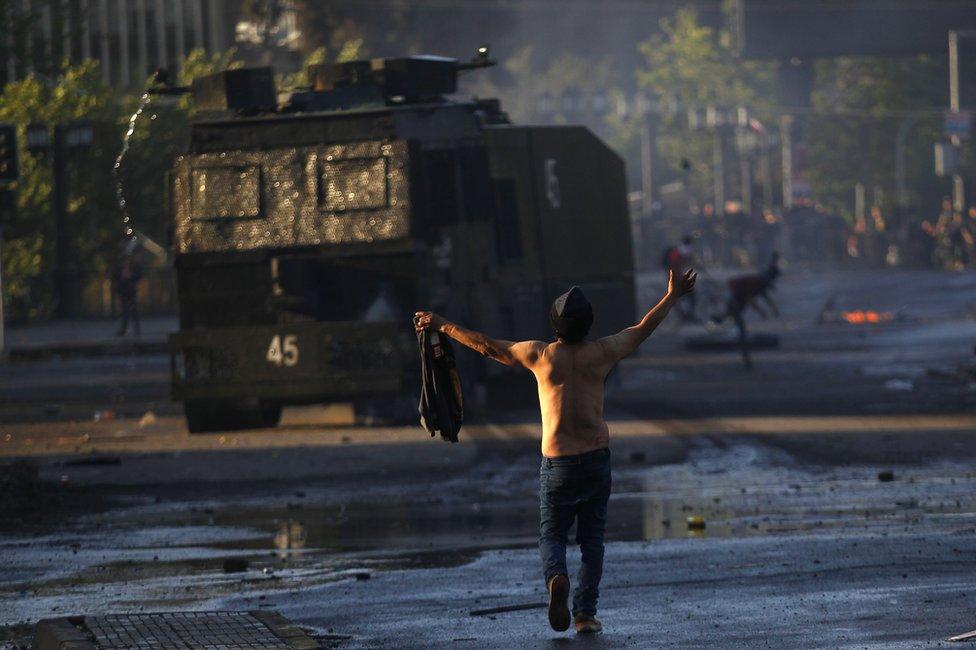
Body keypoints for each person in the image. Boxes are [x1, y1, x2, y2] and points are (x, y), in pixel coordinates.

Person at [414, 268, 697, 635]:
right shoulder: (604, 352)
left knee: (552, 535)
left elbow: (485, 344)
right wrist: (672, 295)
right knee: (593, 542)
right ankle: (584, 615)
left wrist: (442, 324)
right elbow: (643, 328)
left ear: (555, 324)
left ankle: (556, 577)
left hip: (558, 462)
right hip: (596, 459)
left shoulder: (540, 356)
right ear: (588, 323)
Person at [710, 253, 780, 369]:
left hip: (738, 297)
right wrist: (761, 311)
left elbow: (765, 296)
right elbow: (751, 299)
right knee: (741, 328)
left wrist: (773, 309)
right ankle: (746, 359)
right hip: (735, 297)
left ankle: (718, 319)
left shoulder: (761, 282)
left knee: (732, 314)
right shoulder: (759, 282)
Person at [112, 254, 143, 337]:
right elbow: (115, 276)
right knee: (125, 311)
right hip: (124, 291)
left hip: (131, 291)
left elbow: (139, 275)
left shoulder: (134, 267)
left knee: (134, 311)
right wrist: (122, 277)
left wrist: (131, 277)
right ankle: (124, 330)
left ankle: (136, 330)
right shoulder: (120, 268)